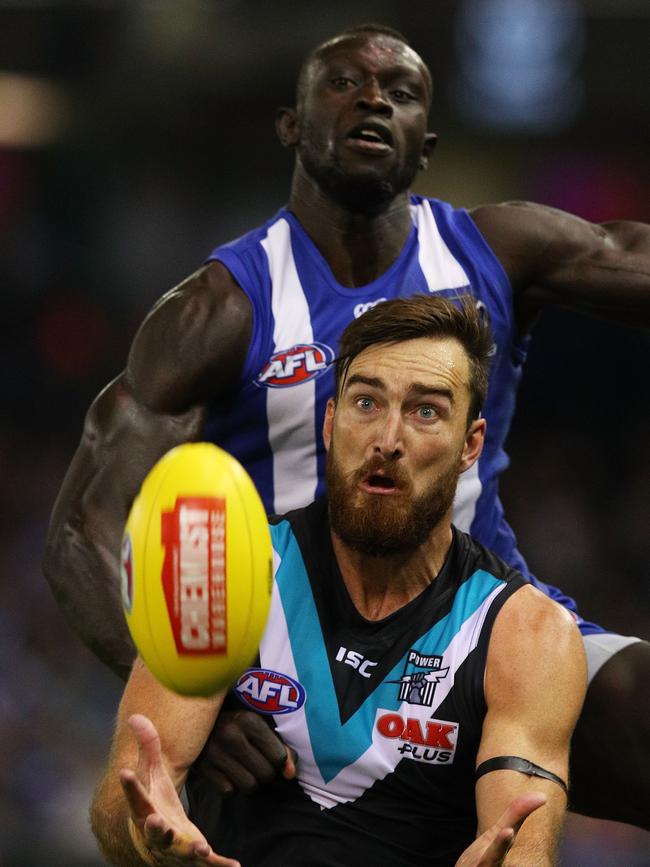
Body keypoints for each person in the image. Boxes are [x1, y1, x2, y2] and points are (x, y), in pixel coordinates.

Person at [43, 23, 650, 827]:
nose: (372, 98)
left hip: (484, 636)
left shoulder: (497, 252)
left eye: (399, 93)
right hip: (291, 678)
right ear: (291, 124)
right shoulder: (220, 310)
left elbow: (625, 249)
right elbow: (80, 531)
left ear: (424, 143)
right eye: (344, 83)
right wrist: (195, 696)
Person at [90, 296, 586, 867]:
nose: (387, 439)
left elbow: (523, 852)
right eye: (366, 402)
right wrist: (151, 848)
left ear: (470, 445)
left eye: (426, 411)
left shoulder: (527, 636)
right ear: (330, 422)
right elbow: (121, 806)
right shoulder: (220, 568)